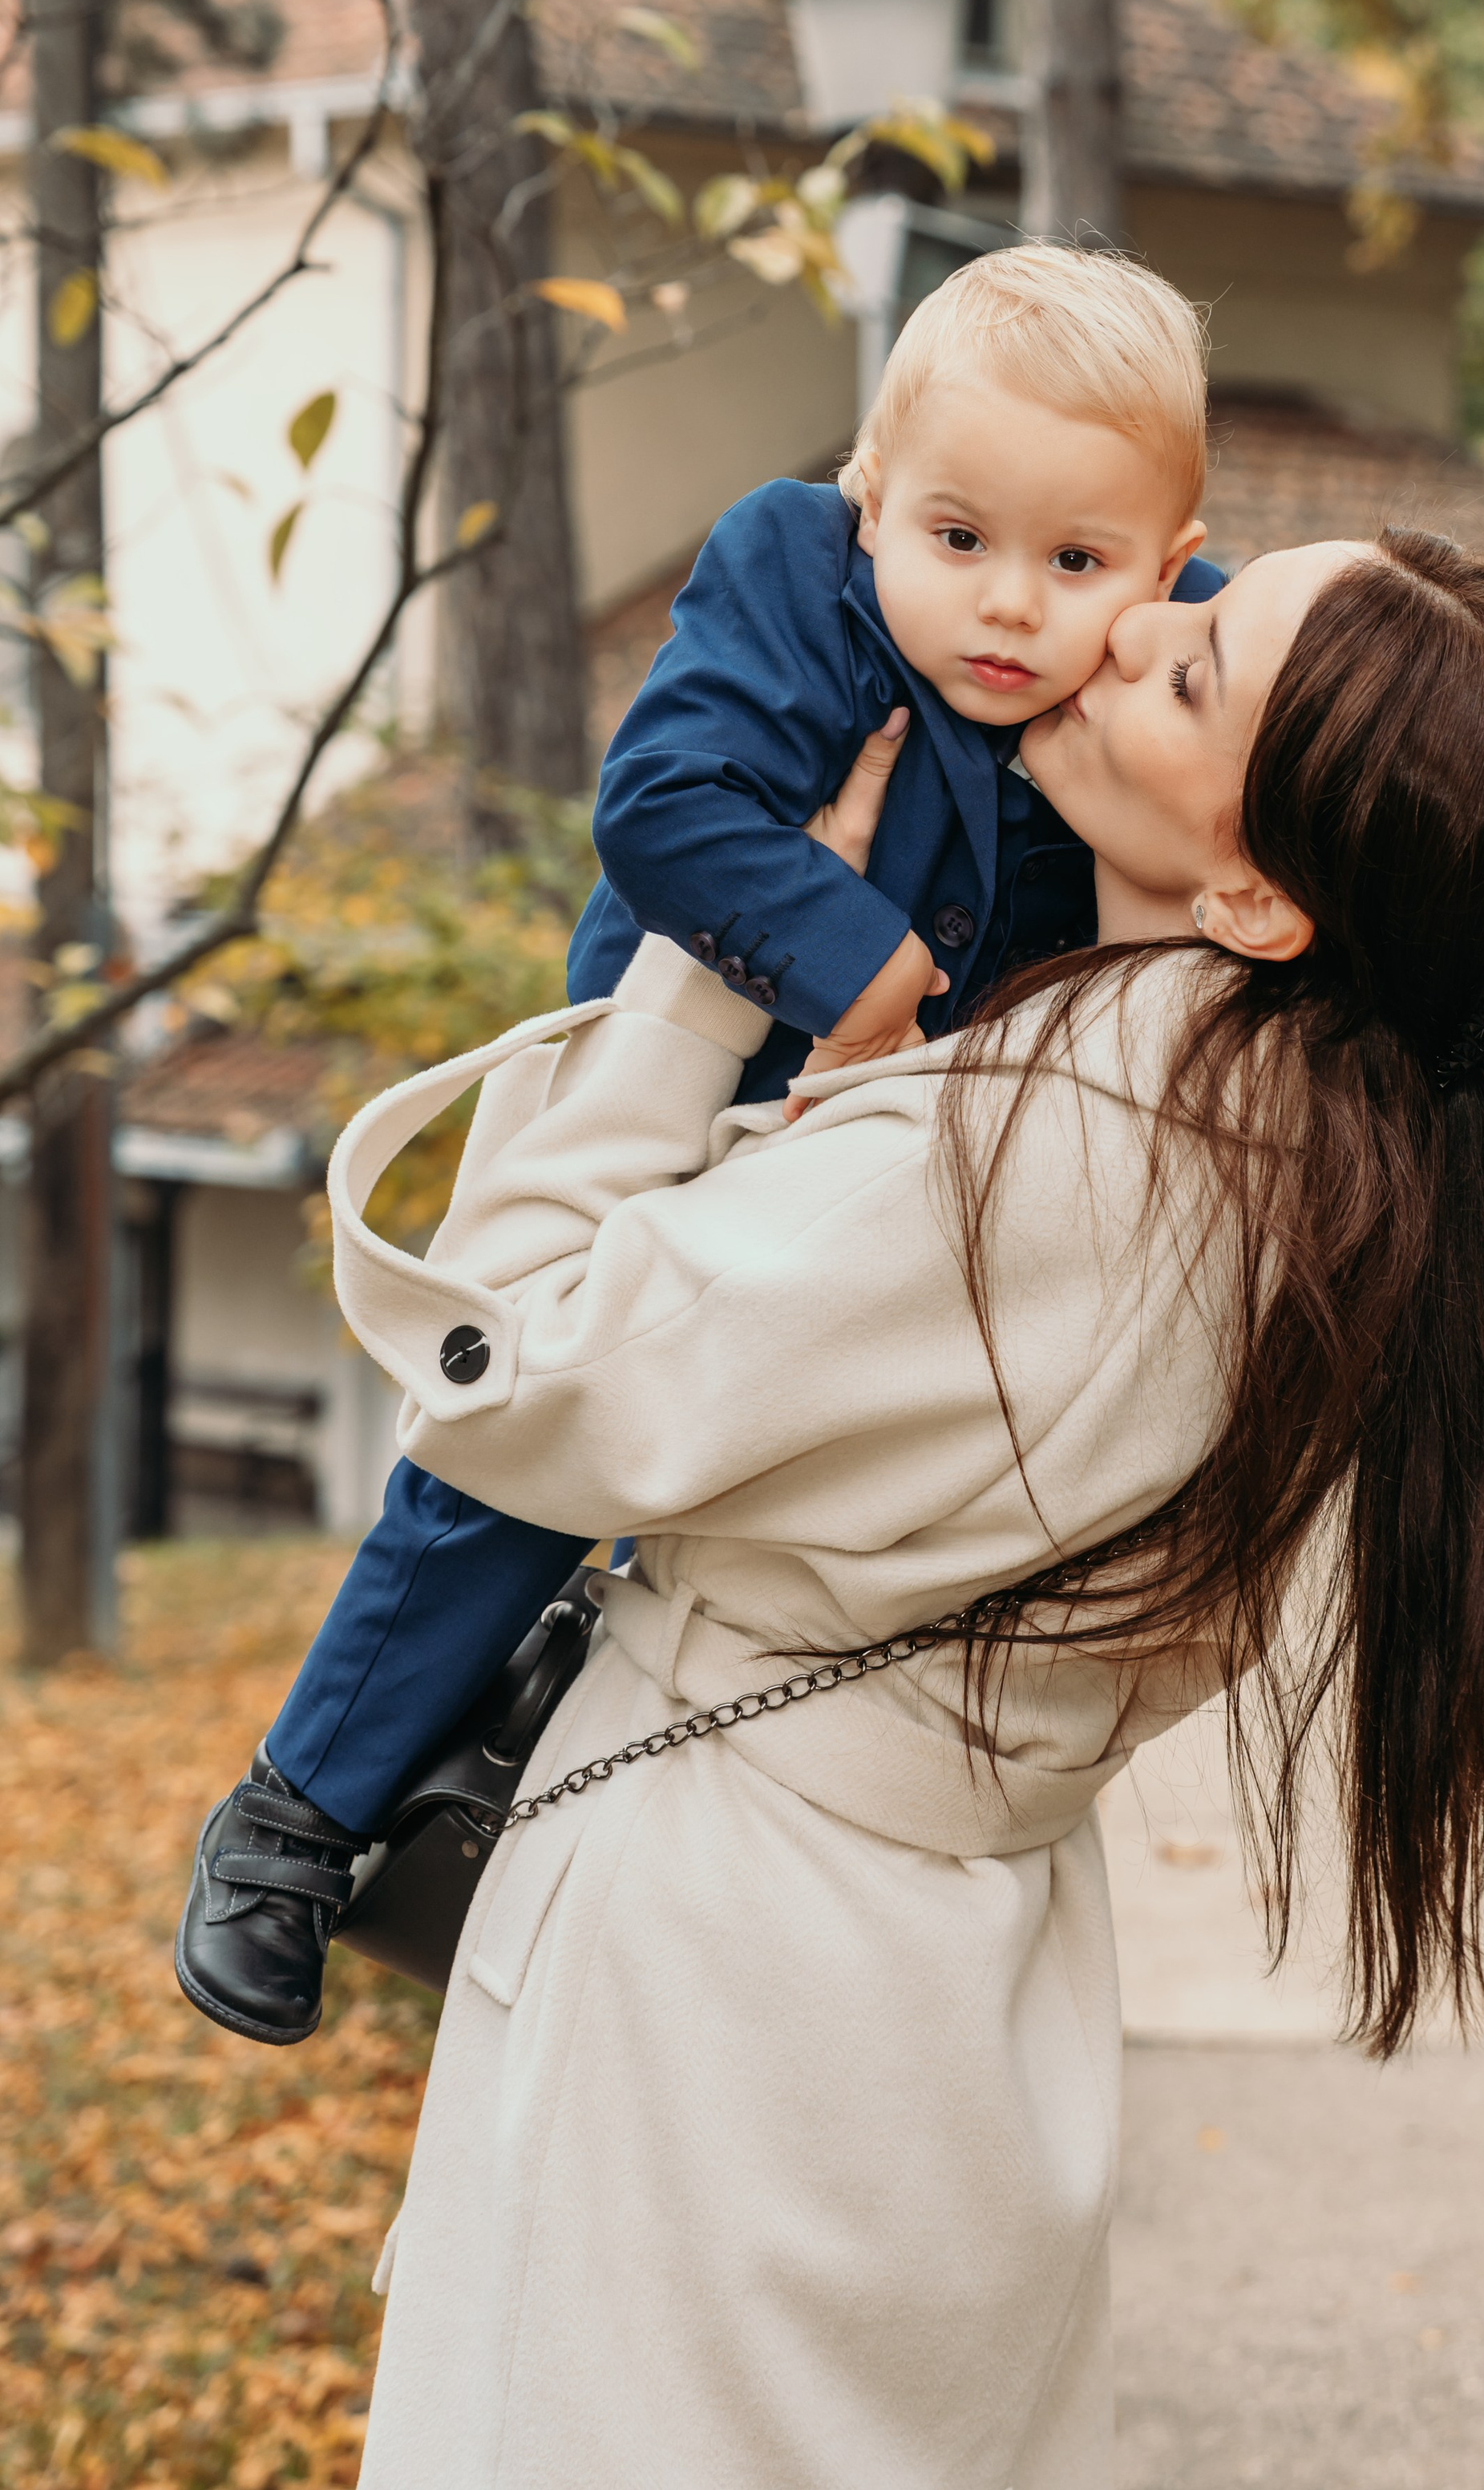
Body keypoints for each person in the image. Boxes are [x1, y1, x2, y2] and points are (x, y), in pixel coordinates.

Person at [320, 524, 1484, 2489]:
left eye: (1191, 667)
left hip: (726, 1980)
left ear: (1258, 891)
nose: (1122, 630)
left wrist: (697, 970)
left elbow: (514, 1369)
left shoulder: (1035, 1154)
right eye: (1199, 595)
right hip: (959, 1996)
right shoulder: (1336, 1191)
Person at [176, 245, 1223, 2046]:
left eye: (1077, 563)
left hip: (892, 1133)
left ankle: (546, 1759)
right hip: (695, 1040)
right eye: (956, 538)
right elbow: (661, 802)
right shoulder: (790, 572)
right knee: (534, 1431)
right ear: (869, 494)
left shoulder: (1144, 678)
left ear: (1161, 561)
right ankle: (300, 1805)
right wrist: (857, 965)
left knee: (749, 1457)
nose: (1005, 608)